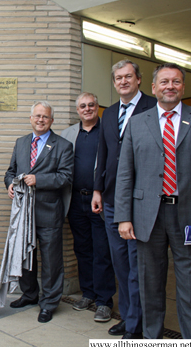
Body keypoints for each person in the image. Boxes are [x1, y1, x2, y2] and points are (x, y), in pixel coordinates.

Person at [115, 63, 191, 339]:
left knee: (189, 287)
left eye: (176, 82)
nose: (170, 86)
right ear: (153, 88)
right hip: (147, 217)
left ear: (183, 87)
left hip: (190, 216)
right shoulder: (137, 122)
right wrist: (124, 217)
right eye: (164, 82)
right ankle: (152, 337)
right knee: (150, 286)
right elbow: (125, 174)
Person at [92, 59, 156, 339]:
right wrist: (97, 189)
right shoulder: (110, 113)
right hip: (111, 199)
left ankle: (138, 324)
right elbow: (103, 154)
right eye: (118, 78)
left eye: (128, 76)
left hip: (140, 199)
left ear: (139, 79)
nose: (123, 81)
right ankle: (129, 317)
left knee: (137, 265)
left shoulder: (153, 107)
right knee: (120, 263)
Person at [4, 101, 73, 323]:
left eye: (45, 117)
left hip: (49, 212)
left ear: (52, 120)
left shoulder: (63, 145)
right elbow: (10, 171)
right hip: (24, 213)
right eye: (37, 116)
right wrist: (10, 184)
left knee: (51, 260)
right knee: (26, 256)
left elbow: (66, 177)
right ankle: (30, 294)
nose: (41, 120)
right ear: (31, 118)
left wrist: (39, 180)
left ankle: (49, 303)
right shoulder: (21, 142)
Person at [61, 92, 115, 323]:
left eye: (91, 105)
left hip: (100, 201)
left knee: (102, 251)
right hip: (74, 201)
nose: (87, 109)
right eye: (82, 106)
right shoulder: (69, 134)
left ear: (98, 107)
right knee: (82, 249)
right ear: (77, 110)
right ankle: (88, 293)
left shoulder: (109, 131)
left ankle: (104, 301)